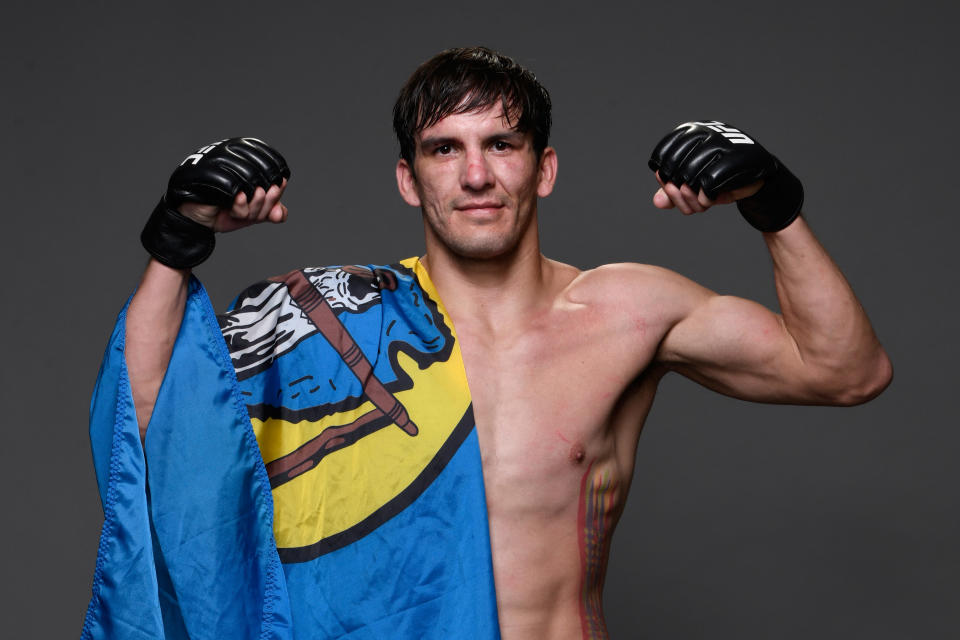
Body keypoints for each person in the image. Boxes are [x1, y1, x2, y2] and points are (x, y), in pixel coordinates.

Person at [88, 47, 892, 640]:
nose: (476, 175)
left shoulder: (629, 310)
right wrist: (177, 239)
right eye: (446, 149)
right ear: (410, 178)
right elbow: (149, 416)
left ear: (543, 169)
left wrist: (774, 204)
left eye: (501, 145)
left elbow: (846, 371)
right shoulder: (327, 320)